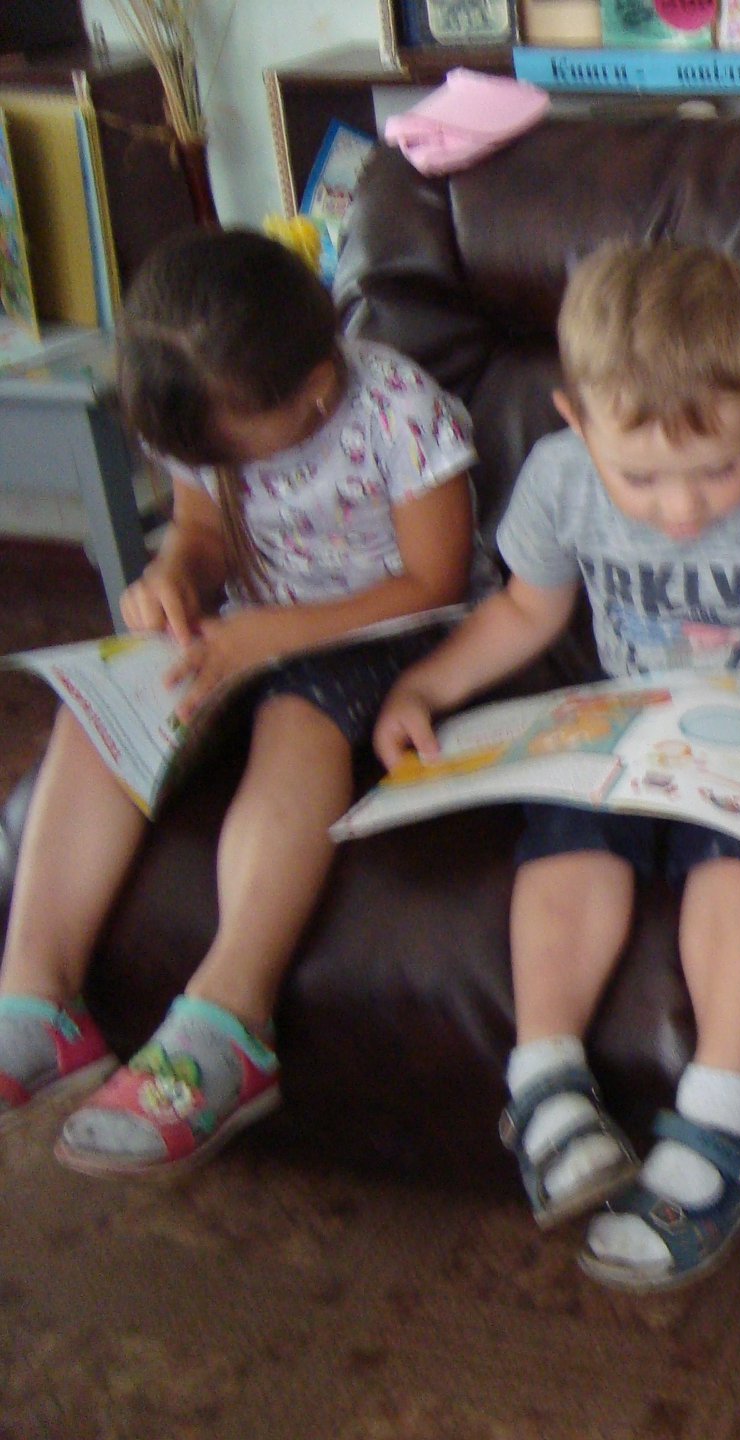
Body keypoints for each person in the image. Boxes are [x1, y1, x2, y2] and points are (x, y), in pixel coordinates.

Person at [373, 240, 740, 1290]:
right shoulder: (556, 479)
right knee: (566, 834)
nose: (683, 510)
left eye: (719, 468)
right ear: (576, 420)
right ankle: (546, 1077)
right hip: (629, 722)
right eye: (642, 479)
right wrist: (425, 688)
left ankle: (724, 1114)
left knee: (739, 859)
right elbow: (526, 610)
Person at [0, 229, 477, 1172]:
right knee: (101, 711)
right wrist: (174, 575)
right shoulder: (202, 410)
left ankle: (229, 1017)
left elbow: (436, 582)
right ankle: (35, 998)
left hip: (387, 634)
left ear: (314, 390)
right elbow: (204, 528)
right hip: (248, 628)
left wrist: (277, 636)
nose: (226, 465)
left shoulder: (397, 409)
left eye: (233, 449)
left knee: (296, 722)